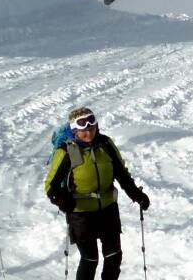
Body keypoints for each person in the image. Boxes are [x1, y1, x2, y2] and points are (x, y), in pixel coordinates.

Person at [44, 107, 151, 280]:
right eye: (83, 130)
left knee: (114, 256)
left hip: (108, 208)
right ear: (74, 131)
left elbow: (121, 174)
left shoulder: (106, 145)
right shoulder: (67, 151)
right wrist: (62, 200)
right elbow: (51, 186)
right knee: (90, 259)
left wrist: (137, 195)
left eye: (92, 128)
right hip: (80, 213)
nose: (89, 133)